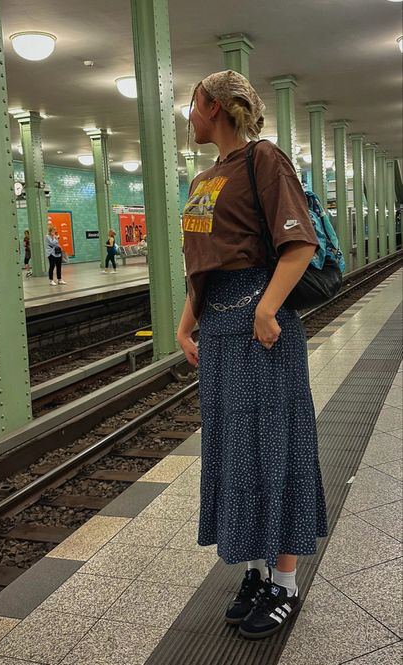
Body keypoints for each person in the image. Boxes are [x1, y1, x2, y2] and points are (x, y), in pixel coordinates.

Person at [177, 70, 327, 640]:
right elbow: (201, 263)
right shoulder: (201, 179)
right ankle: (258, 572)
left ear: (212, 105)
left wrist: (266, 311)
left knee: (276, 448)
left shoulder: (264, 160)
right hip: (217, 333)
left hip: (260, 334)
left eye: (191, 106)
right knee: (236, 455)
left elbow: (299, 244)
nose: (188, 117)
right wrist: (186, 324)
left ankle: (285, 586)